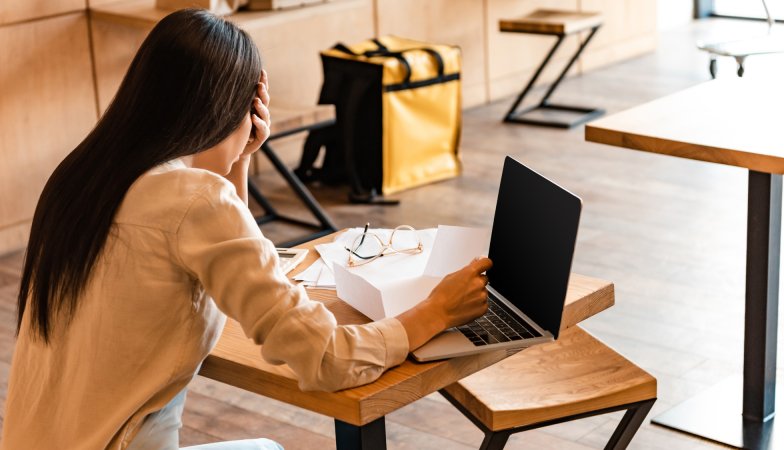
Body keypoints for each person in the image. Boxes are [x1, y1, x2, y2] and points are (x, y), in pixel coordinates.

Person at [2, 8, 491, 450]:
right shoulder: (193, 201)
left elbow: (223, 251)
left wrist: (238, 160)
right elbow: (326, 359)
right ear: (229, 110)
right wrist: (433, 312)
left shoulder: (81, 178)